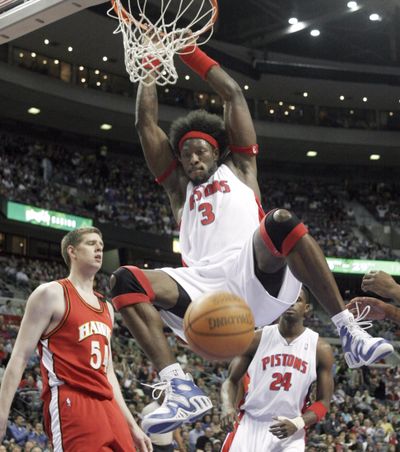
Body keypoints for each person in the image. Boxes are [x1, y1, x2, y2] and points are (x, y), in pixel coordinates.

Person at [110, 41, 393, 434]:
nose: (192, 159)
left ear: (216, 152)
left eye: (200, 152)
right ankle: (178, 386)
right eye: (186, 153)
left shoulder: (241, 168)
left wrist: (186, 49)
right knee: (124, 279)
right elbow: (145, 125)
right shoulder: (177, 188)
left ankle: (348, 329)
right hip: (204, 285)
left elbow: (232, 92)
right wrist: (150, 66)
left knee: (279, 221)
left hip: (252, 267)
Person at [0, 227, 152, 452]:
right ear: (72, 251)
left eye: (100, 244)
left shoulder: (107, 308)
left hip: (108, 404)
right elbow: (19, 358)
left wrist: (132, 425)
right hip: (72, 399)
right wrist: (2, 416)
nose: (99, 248)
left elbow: (108, 373)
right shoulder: (51, 294)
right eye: (91, 243)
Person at [219, 288, 334, 451]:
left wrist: (298, 423)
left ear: (306, 308)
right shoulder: (255, 339)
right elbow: (231, 380)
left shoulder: (320, 349)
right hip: (250, 424)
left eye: (298, 300)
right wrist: (227, 406)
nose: (291, 303)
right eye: (287, 298)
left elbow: (323, 402)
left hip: (290, 429)